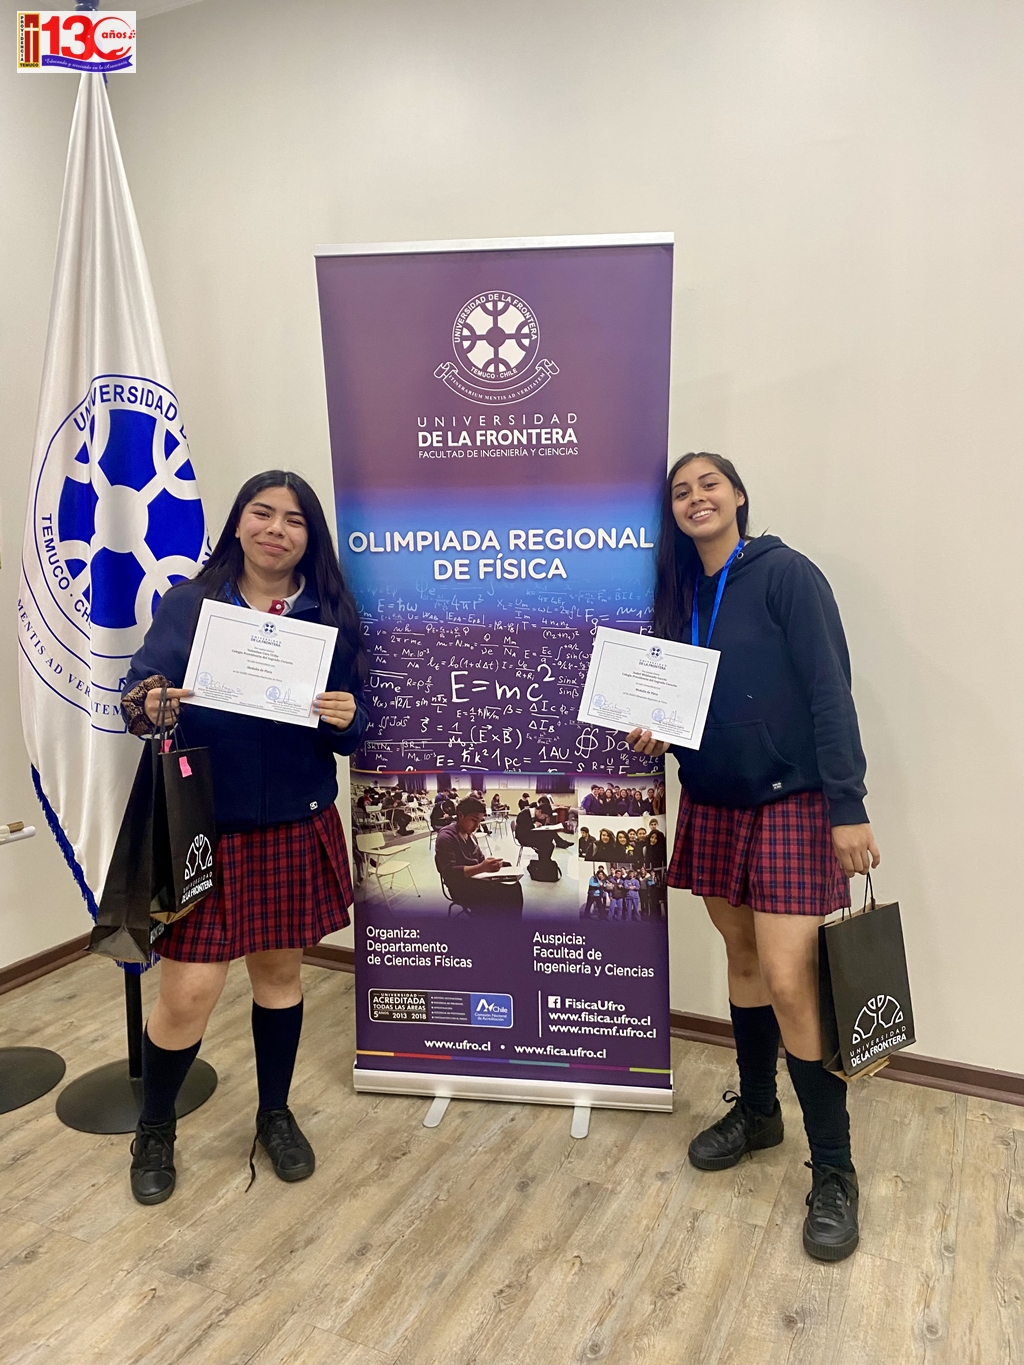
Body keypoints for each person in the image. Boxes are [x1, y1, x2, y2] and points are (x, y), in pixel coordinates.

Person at [629, 451, 880, 1263]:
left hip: (790, 802)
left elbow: (829, 689)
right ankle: (761, 1113)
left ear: (738, 495)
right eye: (681, 491)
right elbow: (689, 706)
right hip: (713, 800)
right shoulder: (681, 596)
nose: (695, 497)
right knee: (742, 959)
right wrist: (658, 734)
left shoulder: (785, 574)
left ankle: (834, 1169)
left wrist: (848, 805)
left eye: (709, 484)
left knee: (790, 979)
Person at [118, 470, 368, 1206]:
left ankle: (274, 1114)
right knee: (187, 994)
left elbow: (354, 725)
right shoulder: (191, 605)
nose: (276, 529)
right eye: (263, 513)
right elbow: (138, 695)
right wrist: (150, 704)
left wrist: (348, 718)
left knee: (280, 978)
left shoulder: (331, 616)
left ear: (309, 538)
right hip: (203, 823)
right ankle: (154, 1127)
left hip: (291, 821)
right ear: (238, 523)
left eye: (294, 519)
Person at [434, 798, 523, 914]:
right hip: (460, 887)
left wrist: (491, 864)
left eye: (480, 821)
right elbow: (450, 873)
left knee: (513, 885)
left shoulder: (471, 836)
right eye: (474, 820)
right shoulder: (446, 838)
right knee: (505, 893)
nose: (477, 826)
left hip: (477, 879)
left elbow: (480, 859)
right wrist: (482, 867)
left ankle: (508, 923)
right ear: (460, 816)